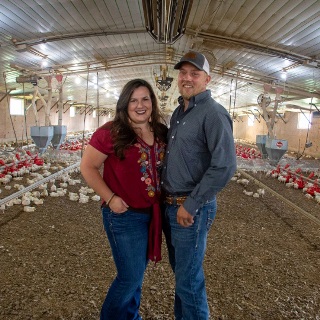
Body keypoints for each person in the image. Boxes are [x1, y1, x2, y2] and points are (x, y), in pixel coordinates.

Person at [80, 78, 167, 320]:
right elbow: (87, 167)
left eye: (145, 99)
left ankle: (130, 316)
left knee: (137, 274)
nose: (140, 105)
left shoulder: (160, 132)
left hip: (151, 213)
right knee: (129, 276)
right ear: (124, 104)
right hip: (123, 215)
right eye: (133, 100)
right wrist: (110, 198)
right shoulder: (110, 132)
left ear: (152, 102)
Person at [161, 51, 237, 320]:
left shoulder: (213, 114)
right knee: (182, 274)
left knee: (189, 280)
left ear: (207, 78)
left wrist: (191, 205)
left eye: (194, 74)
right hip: (172, 207)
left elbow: (225, 165)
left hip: (190, 209)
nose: (187, 78)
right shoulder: (179, 113)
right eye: (183, 73)